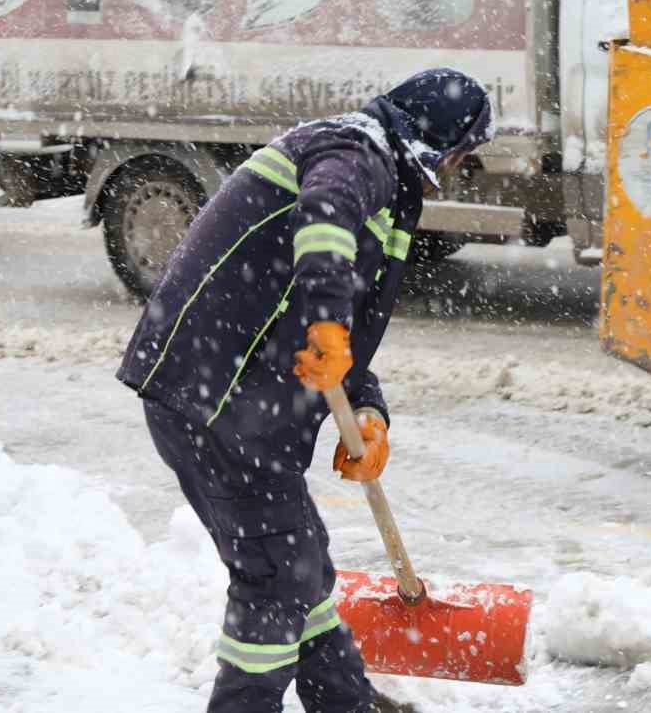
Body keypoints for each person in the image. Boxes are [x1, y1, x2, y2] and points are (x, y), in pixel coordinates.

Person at [116, 69, 492, 713]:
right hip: (220, 397)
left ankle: (343, 701)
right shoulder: (356, 154)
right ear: (439, 142)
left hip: (228, 399)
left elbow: (352, 318)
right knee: (275, 579)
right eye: (464, 152)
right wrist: (324, 319)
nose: (462, 166)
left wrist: (367, 408)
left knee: (300, 563)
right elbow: (323, 224)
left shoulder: (383, 176)